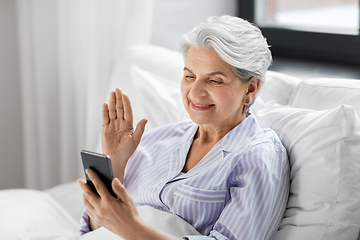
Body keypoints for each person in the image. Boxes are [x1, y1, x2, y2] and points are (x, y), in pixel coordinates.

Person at [78, 15, 289, 240]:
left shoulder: (258, 156)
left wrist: (130, 227)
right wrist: (116, 162)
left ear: (250, 90)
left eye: (215, 80)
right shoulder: (153, 141)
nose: (195, 92)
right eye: (189, 76)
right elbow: (93, 228)